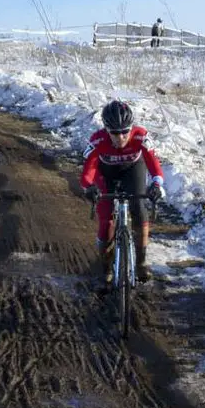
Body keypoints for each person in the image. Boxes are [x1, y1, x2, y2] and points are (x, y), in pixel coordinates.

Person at [80, 99, 165, 287]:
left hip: (132, 169)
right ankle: (106, 267)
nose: (120, 137)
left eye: (125, 131)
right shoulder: (98, 140)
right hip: (106, 173)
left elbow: (154, 166)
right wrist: (89, 187)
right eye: (115, 133)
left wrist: (157, 184)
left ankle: (141, 263)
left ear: (131, 127)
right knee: (106, 217)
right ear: (106, 130)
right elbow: (88, 172)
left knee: (139, 209)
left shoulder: (141, 137)